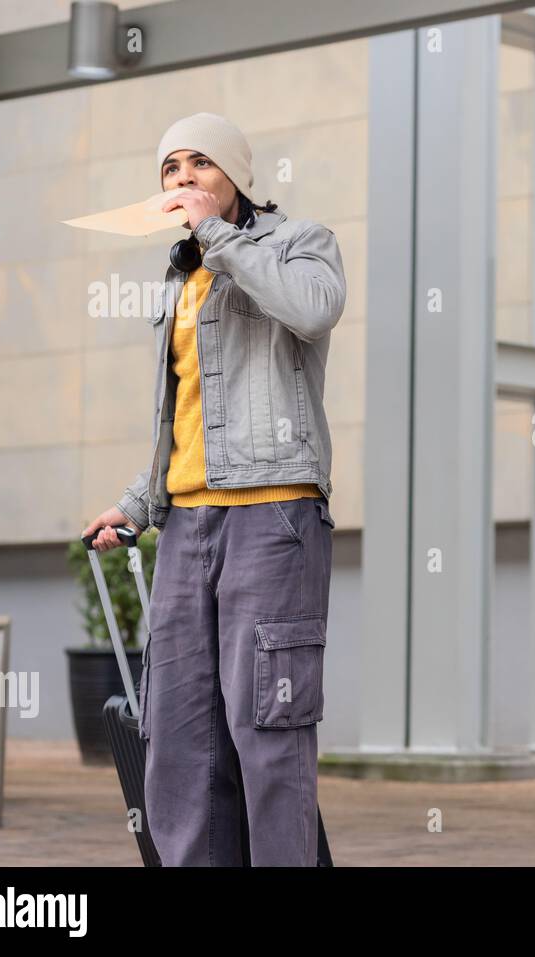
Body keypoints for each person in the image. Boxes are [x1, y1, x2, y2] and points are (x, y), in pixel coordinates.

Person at [80, 112, 347, 866]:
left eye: (200, 163)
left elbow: (315, 308)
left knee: (268, 733)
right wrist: (136, 504)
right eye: (171, 168)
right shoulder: (181, 274)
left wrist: (222, 243)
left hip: (273, 517)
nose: (183, 179)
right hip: (186, 529)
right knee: (181, 741)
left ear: (235, 175)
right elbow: (186, 416)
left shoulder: (299, 243)